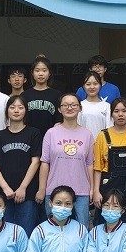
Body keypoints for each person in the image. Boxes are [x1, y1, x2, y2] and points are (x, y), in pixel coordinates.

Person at [0, 95, 41, 235]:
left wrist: (23, 187)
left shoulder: (34, 133)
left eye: (20, 107)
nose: (16, 110)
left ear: (26, 111)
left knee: (26, 232)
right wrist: (5, 188)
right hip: (3, 194)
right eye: (12, 107)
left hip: (27, 193)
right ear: (7, 111)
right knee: (4, 233)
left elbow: (36, 161)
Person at [38, 93, 95, 226]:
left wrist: (92, 189)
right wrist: (42, 189)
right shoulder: (51, 133)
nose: (69, 108)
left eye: (74, 105)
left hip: (81, 191)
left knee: (81, 229)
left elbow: (90, 164)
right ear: (59, 109)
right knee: (54, 229)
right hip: (54, 190)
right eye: (65, 105)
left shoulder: (87, 134)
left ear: (80, 108)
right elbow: (45, 162)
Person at [92, 98, 126, 228]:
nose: (120, 114)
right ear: (111, 114)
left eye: (124, 111)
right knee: (105, 220)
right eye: (116, 111)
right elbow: (98, 167)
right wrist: (96, 191)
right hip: (108, 184)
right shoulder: (103, 135)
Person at [21, 54, 62, 227]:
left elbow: (59, 122)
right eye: (37, 70)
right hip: (29, 143)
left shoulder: (57, 95)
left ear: (49, 73)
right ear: (32, 73)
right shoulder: (25, 95)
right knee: (32, 182)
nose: (40, 73)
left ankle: (49, 221)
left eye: (44, 70)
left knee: (49, 181)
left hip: (51, 144)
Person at [78, 71, 112, 138]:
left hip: (102, 142)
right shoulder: (79, 106)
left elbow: (109, 129)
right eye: (88, 84)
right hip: (83, 142)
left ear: (100, 85)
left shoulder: (106, 106)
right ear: (83, 86)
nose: (92, 87)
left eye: (95, 84)